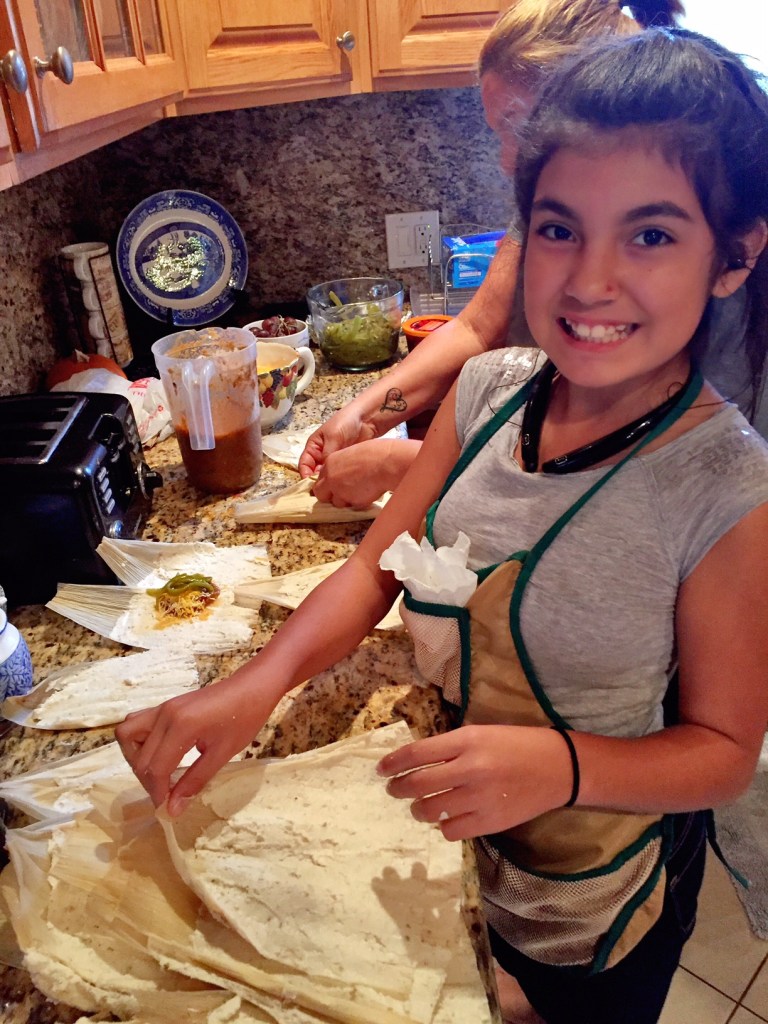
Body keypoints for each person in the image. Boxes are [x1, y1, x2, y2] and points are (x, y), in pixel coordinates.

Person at [117, 27, 768, 1024]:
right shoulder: (486, 393)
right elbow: (376, 567)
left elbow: (724, 748)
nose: (591, 279)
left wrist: (561, 764)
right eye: (558, 229)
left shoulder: (725, 488)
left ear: (732, 255)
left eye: (649, 234)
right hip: (468, 844)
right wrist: (254, 685)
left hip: (600, 896)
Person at [298, 0, 691, 509]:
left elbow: (654, 494)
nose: (507, 161)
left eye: (518, 127)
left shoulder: (686, 252)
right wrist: (363, 416)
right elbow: (481, 326)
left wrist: (407, 465)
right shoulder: (550, 202)